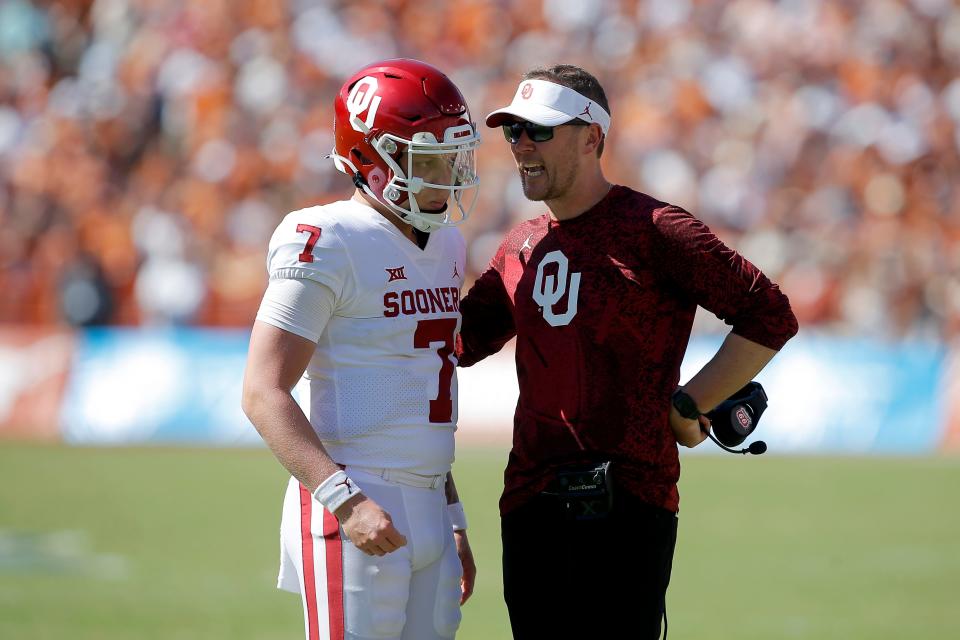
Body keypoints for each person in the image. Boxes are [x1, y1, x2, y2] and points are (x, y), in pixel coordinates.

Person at [456, 64, 799, 639]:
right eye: (512, 131)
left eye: (538, 130)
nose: (519, 145)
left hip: (627, 504)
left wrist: (690, 404)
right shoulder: (518, 246)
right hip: (528, 507)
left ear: (592, 137)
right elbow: (455, 345)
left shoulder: (656, 229)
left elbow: (768, 315)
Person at [241, 58, 481, 640]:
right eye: (428, 158)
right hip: (355, 498)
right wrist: (344, 502)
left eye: (453, 155)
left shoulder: (446, 241)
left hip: (430, 501)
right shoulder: (327, 238)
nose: (447, 173)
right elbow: (261, 392)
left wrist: (452, 515)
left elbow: (419, 385)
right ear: (372, 162)